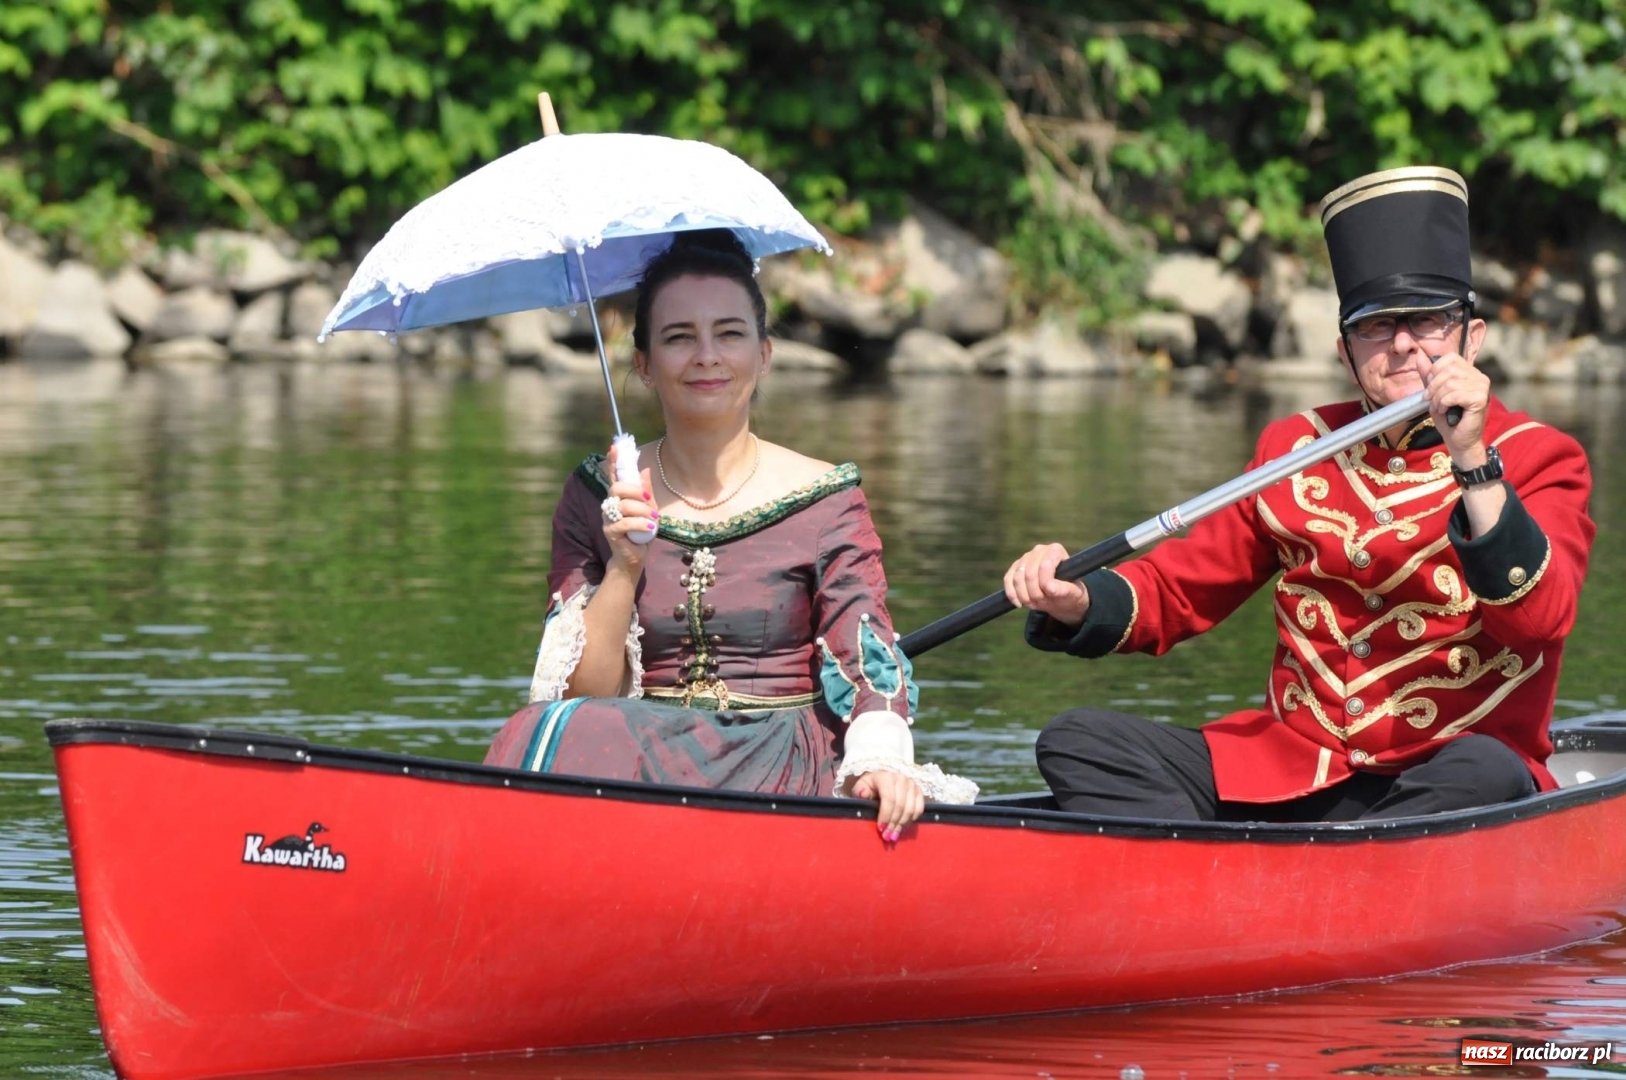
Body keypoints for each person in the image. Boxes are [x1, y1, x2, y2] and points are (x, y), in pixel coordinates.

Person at [1003, 166, 1594, 822]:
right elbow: (1177, 591)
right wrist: (1074, 598)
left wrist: (1473, 461)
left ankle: (1319, 874)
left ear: (1471, 339)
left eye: (1426, 322)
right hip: (1293, 769)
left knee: (1485, 771)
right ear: (1346, 353)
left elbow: (1541, 624)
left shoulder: (1540, 455)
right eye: (1375, 326)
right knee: (1079, 742)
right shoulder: (1294, 447)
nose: (1402, 345)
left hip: (1448, 773)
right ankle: (1222, 882)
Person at [486, 230, 976, 837]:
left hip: (781, 763)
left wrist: (880, 761)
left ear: (764, 354)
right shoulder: (598, 496)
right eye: (679, 337)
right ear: (643, 364)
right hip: (640, 759)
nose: (707, 356)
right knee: (545, 730)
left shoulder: (825, 498)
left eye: (730, 333)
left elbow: (865, 651)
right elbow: (583, 694)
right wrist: (624, 565)